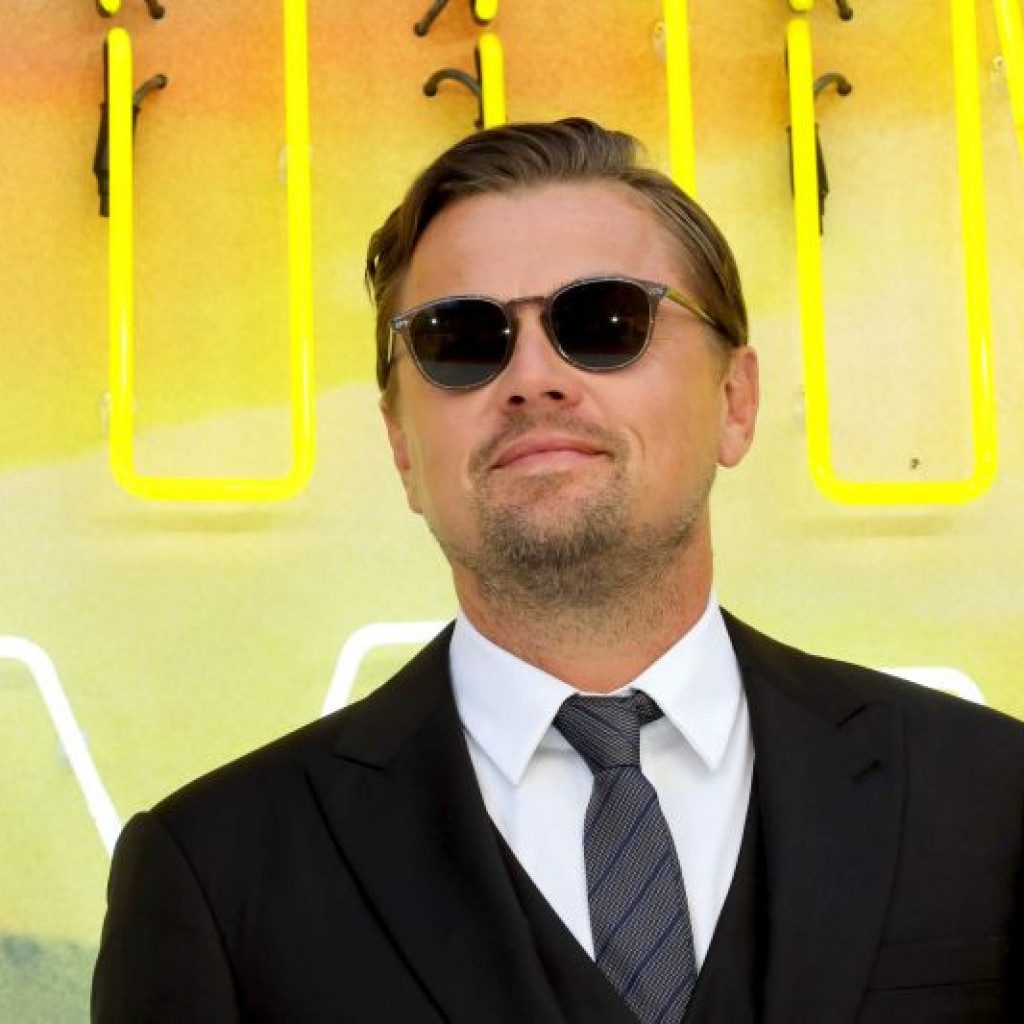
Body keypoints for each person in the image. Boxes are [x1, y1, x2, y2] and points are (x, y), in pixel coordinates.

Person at [92, 119, 1023, 1023]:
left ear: (736, 400)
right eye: (461, 339)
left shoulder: (993, 796)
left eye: (605, 321)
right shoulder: (216, 874)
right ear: (402, 447)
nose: (533, 377)